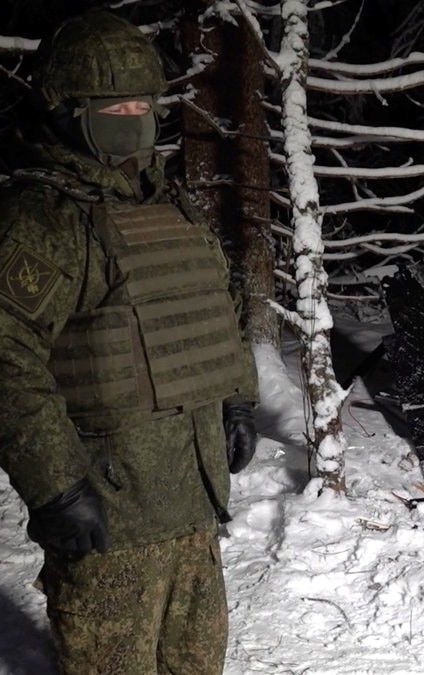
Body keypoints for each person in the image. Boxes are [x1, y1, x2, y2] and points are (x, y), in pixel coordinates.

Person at [0, 10, 259, 674]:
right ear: (66, 111)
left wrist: (236, 397)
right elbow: (7, 357)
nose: (133, 116)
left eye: (142, 103)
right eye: (113, 106)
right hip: (109, 515)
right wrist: (57, 486)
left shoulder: (169, 204)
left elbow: (218, 303)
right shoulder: (44, 220)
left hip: (192, 506)